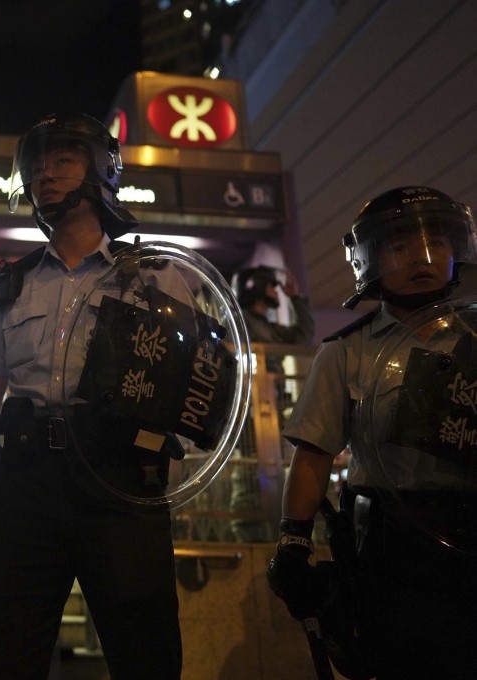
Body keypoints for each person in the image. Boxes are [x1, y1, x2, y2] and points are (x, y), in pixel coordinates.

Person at [0, 113, 183, 679]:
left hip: (120, 482)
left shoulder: (154, 276)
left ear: (100, 172)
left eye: (62, 161)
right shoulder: (14, 284)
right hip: (27, 484)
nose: (44, 176)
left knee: (145, 654)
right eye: (36, 167)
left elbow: (188, 386)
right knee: (6, 656)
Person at [267, 186, 477, 679]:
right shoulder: (346, 352)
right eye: (401, 246)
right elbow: (313, 454)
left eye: (435, 243)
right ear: (371, 259)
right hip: (390, 550)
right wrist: (293, 542)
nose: (421, 258)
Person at [229, 265, 315, 541]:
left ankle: (268, 534)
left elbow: (303, 334)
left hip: (270, 408)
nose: (276, 292)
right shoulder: (240, 321)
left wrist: (296, 299)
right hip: (250, 410)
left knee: (270, 472)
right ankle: (249, 534)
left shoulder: (266, 326)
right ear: (256, 288)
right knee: (250, 474)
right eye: (271, 286)